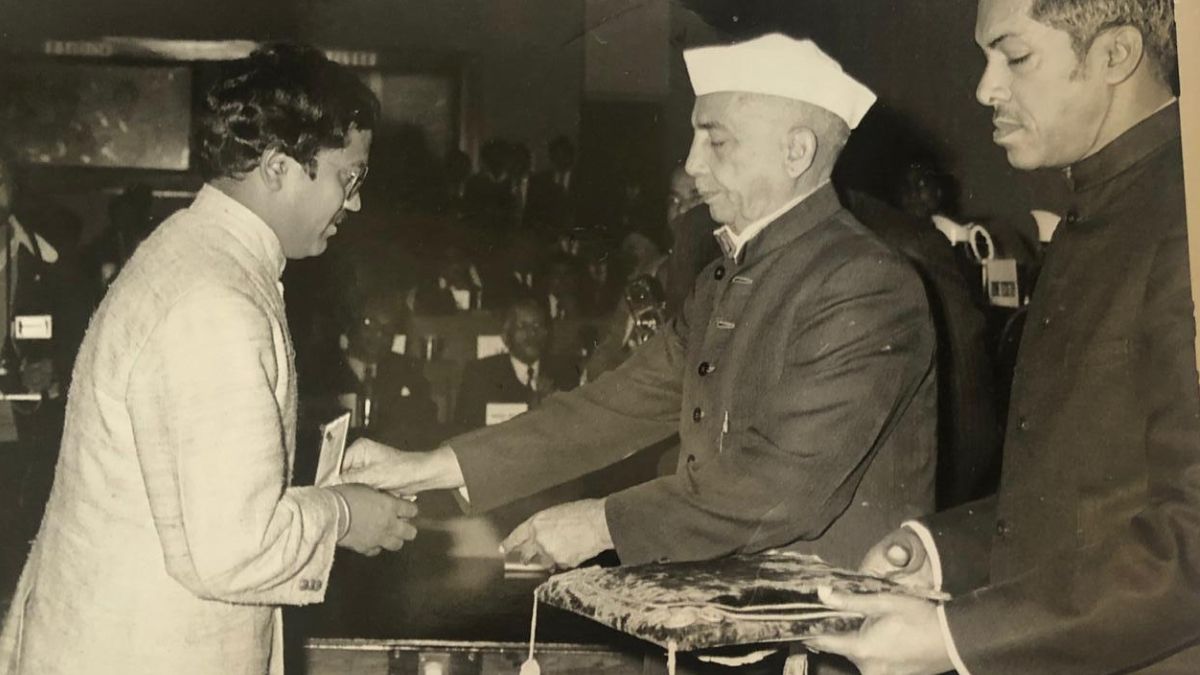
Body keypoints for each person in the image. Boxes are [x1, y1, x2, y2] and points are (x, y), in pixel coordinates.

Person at [344, 34, 937, 576]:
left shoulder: (865, 284)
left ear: (796, 152)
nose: (693, 164)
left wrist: (600, 523)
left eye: (716, 141)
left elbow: (777, 490)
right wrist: (431, 466)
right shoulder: (725, 278)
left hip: (827, 626)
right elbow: (612, 407)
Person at [806, 2, 1198, 674]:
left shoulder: (1179, 217)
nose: (985, 88)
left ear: (1115, 55)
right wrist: (939, 552)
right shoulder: (1101, 206)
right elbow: (1087, 503)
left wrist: (956, 637)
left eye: (1014, 56)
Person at [0, 45, 417, 675]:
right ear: (277, 168)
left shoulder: (190, 251)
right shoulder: (217, 302)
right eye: (348, 178)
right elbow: (232, 548)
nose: (354, 202)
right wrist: (344, 514)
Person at [454, 297, 578, 432]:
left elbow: (575, 428)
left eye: (537, 326)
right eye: (522, 326)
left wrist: (554, 404)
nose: (532, 333)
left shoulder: (566, 372)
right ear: (506, 337)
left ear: (547, 333)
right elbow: (464, 430)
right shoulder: (480, 374)